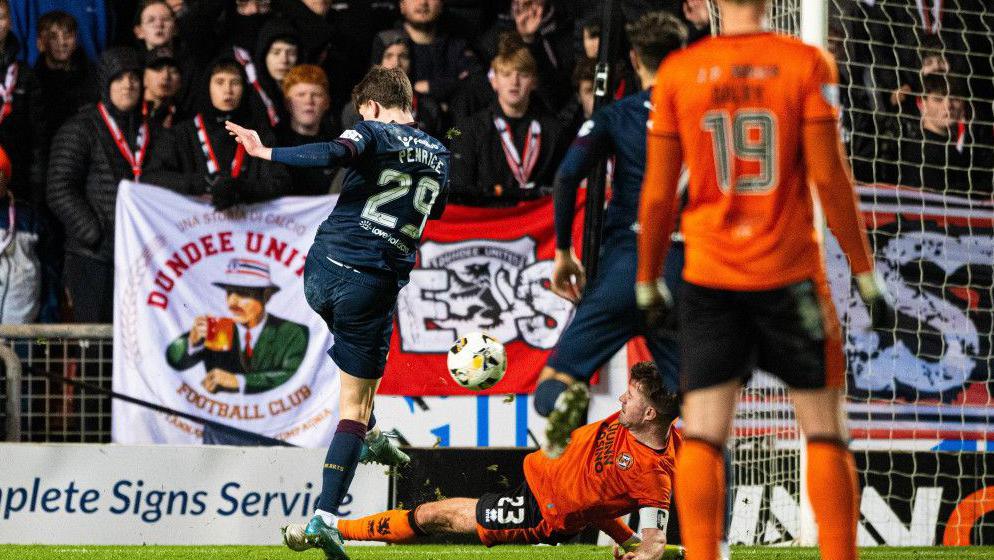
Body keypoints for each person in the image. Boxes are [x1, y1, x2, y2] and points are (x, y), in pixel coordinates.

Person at [635, 1, 894, 560]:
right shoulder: (806, 63)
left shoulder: (680, 72)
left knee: (703, 431)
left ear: (710, 4)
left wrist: (646, 277)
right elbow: (830, 178)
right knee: (824, 429)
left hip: (709, 277)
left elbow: (657, 195)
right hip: (791, 276)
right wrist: (865, 271)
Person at [225, 65, 450, 560]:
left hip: (321, 271)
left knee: (355, 382)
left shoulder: (369, 130)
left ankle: (370, 434)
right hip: (370, 286)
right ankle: (327, 514)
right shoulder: (441, 154)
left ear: (369, 107)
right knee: (354, 407)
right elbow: (433, 212)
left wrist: (266, 150)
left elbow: (335, 152)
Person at [285, 362, 686, 560]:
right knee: (435, 511)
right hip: (537, 474)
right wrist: (627, 540)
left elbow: (654, 533)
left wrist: (646, 548)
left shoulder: (653, 473)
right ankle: (332, 525)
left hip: (538, 511)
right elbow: (596, 499)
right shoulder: (633, 426)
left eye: (631, 397)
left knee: (435, 516)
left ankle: (333, 527)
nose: (620, 399)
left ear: (650, 414)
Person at [537, 11, 687, 458]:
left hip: (627, 264)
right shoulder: (704, 117)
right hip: (683, 268)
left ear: (635, 58)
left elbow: (566, 178)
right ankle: (717, 528)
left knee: (555, 382)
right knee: (703, 416)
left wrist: (564, 250)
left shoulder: (617, 115)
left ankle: (569, 401)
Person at [46, 47, 175, 322]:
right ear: (105, 84)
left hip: (145, 256)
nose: (128, 84)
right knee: (96, 347)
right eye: (119, 78)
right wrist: (95, 234)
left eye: (133, 78)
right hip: (94, 257)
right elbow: (59, 188)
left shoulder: (156, 132)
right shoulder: (80, 128)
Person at [142, 55, 291, 208]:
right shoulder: (181, 134)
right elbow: (152, 176)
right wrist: (203, 183)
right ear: (207, 87)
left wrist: (241, 189)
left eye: (235, 82)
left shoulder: (259, 135)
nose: (228, 90)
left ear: (244, 89)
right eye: (220, 82)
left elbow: (280, 181)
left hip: (251, 227)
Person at [449, 33, 568, 207]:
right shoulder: (469, 129)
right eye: (506, 74)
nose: (514, 81)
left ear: (534, 82)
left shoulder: (554, 131)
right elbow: (460, 193)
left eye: (523, 74)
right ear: (494, 81)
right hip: (488, 224)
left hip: (535, 225)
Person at [165, 258, 309, 394]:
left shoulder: (293, 333)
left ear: (266, 296)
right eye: (229, 292)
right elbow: (175, 360)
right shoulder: (218, 328)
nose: (232, 303)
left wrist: (238, 381)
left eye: (242, 293)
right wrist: (192, 342)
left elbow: (292, 375)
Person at [341, 32, 443, 139]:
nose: (397, 63)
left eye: (403, 56)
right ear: (377, 63)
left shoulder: (428, 108)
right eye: (389, 56)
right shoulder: (357, 109)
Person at [0, 0, 47, 206]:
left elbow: (38, 135)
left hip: (17, 180)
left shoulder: (26, 74)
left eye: (1, 17)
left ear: (9, 22)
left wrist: (36, 182)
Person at [33, 10, 98, 144]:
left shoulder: (94, 75)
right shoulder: (31, 80)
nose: (62, 42)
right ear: (40, 43)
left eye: (67, 35)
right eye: (53, 37)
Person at [276, 64, 339, 195]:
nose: (308, 101)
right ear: (287, 103)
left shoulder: (340, 147)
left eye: (316, 95)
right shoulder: (272, 143)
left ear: (327, 102)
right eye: (300, 94)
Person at [143, 47, 182, 128]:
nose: (166, 76)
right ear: (144, 77)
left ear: (180, 82)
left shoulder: (185, 120)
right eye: (158, 70)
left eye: (173, 71)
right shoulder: (130, 115)